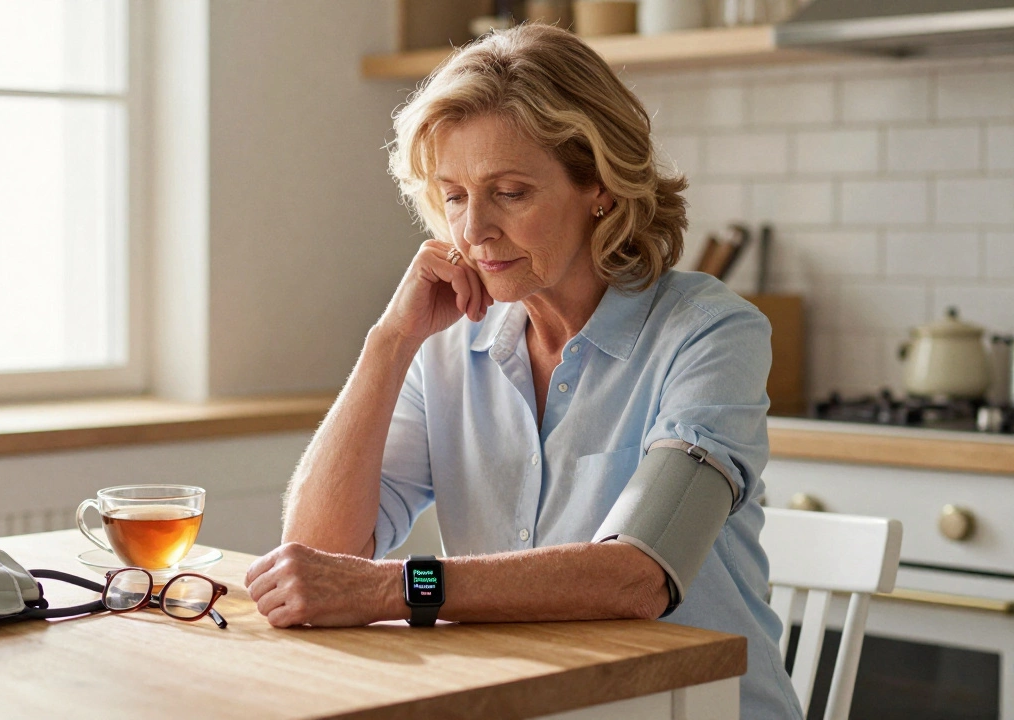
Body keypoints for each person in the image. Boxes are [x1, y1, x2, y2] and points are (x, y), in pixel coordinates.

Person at [244, 23, 803, 719]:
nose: (473, 230)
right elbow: (319, 556)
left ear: (598, 186)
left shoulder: (710, 332)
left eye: (509, 192)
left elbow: (638, 575)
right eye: (453, 196)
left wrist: (397, 589)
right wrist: (389, 342)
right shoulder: (446, 344)